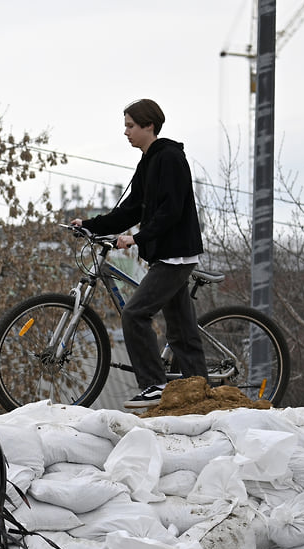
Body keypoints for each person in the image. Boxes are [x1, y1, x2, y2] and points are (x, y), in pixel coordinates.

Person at [73, 98, 206, 409]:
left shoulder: (170, 158)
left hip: (176, 255)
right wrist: (91, 225)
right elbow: (131, 209)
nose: (126, 132)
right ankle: (200, 388)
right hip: (165, 254)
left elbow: (171, 211)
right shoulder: (148, 162)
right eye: (125, 126)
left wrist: (136, 239)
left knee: (134, 314)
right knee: (182, 330)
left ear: (149, 125)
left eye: (131, 126)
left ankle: (154, 385)